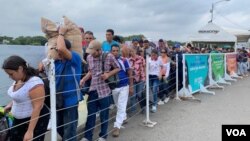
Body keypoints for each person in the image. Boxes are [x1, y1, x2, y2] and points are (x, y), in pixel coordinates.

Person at [2, 55, 49, 141]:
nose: (10, 77)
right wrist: (10, 104)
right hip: (18, 121)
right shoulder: (19, 79)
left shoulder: (35, 83)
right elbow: (22, 95)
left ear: (20, 69)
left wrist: (30, 131)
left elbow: (37, 107)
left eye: (11, 74)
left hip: (33, 122)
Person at [80, 40, 120, 141]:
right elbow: (90, 71)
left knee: (104, 115)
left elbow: (118, 68)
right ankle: (87, 136)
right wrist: (83, 79)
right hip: (93, 89)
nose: (91, 54)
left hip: (104, 90)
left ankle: (103, 136)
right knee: (91, 115)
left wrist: (108, 74)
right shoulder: (89, 57)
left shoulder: (109, 56)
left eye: (93, 52)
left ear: (99, 50)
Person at [55, 26, 83, 141]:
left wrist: (61, 33)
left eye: (60, 50)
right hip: (58, 100)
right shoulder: (57, 62)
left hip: (71, 101)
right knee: (59, 127)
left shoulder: (75, 58)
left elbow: (61, 48)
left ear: (68, 50)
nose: (58, 52)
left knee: (70, 130)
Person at [110, 44, 133, 137]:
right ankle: (123, 117)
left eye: (116, 50)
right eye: (113, 51)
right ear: (110, 51)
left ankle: (117, 126)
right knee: (118, 105)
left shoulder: (124, 60)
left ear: (119, 51)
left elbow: (129, 72)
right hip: (114, 87)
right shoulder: (107, 61)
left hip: (124, 85)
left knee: (121, 105)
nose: (115, 52)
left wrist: (131, 86)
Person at [128, 48, 146, 114]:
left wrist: (145, 76)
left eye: (132, 50)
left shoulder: (141, 58)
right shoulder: (129, 60)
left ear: (135, 51)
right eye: (130, 51)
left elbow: (144, 67)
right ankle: (133, 110)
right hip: (133, 80)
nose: (131, 52)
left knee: (139, 94)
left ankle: (143, 107)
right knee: (133, 96)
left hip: (141, 78)